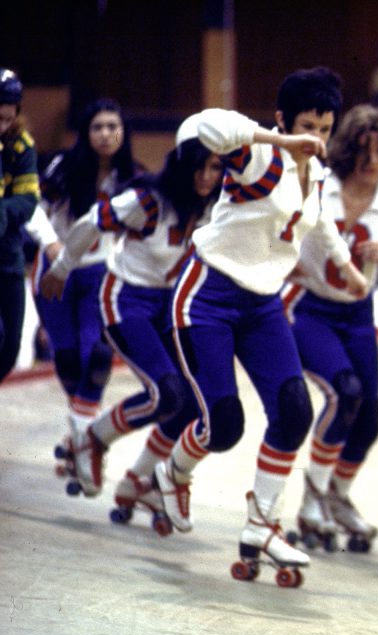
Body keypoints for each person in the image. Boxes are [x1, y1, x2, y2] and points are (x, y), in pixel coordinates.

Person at [151, 67, 368, 584]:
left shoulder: (317, 174)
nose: (316, 138)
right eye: (307, 125)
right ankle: (172, 471)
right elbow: (206, 126)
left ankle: (262, 526)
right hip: (207, 298)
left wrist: (350, 271)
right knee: (224, 428)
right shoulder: (260, 157)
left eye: (325, 128)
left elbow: (319, 227)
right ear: (283, 120)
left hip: (263, 306)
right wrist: (279, 138)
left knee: (295, 411)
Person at [38, 118, 223, 520]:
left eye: (216, 168)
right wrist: (62, 266)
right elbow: (89, 223)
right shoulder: (149, 199)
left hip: (167, 305)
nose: (208, 177)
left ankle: (139, 480)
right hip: (124, 300)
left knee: (193, 403)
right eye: (200, 167)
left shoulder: (213, 203)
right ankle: (92, 439)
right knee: (167, 394)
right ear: (182, 164)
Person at [281, 103, 378, 553]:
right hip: (309, 306)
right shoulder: (319, 187)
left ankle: (337, 496)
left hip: (358, 313)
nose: (370, 161)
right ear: (348, 150)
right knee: (343, 392)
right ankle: (312, 501)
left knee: (369, 416)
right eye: (363, 150)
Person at [28, 98, 140, 446]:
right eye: (97, 127)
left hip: (100, 276)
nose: (106, 134)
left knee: (97, 356)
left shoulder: (132, 177)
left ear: (123, 132)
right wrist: (50, 244)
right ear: (85, 133)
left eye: (113, 126)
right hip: (56, 273)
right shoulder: (63, 168)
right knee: (67, 357)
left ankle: (82, 439)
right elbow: (33, 209)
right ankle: (82, 427)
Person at [0, 67, 40, 384]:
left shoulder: (21, 145)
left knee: (9, 349)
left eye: (7, 119)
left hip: (8, 259)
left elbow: (27, 200)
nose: (1, 126)